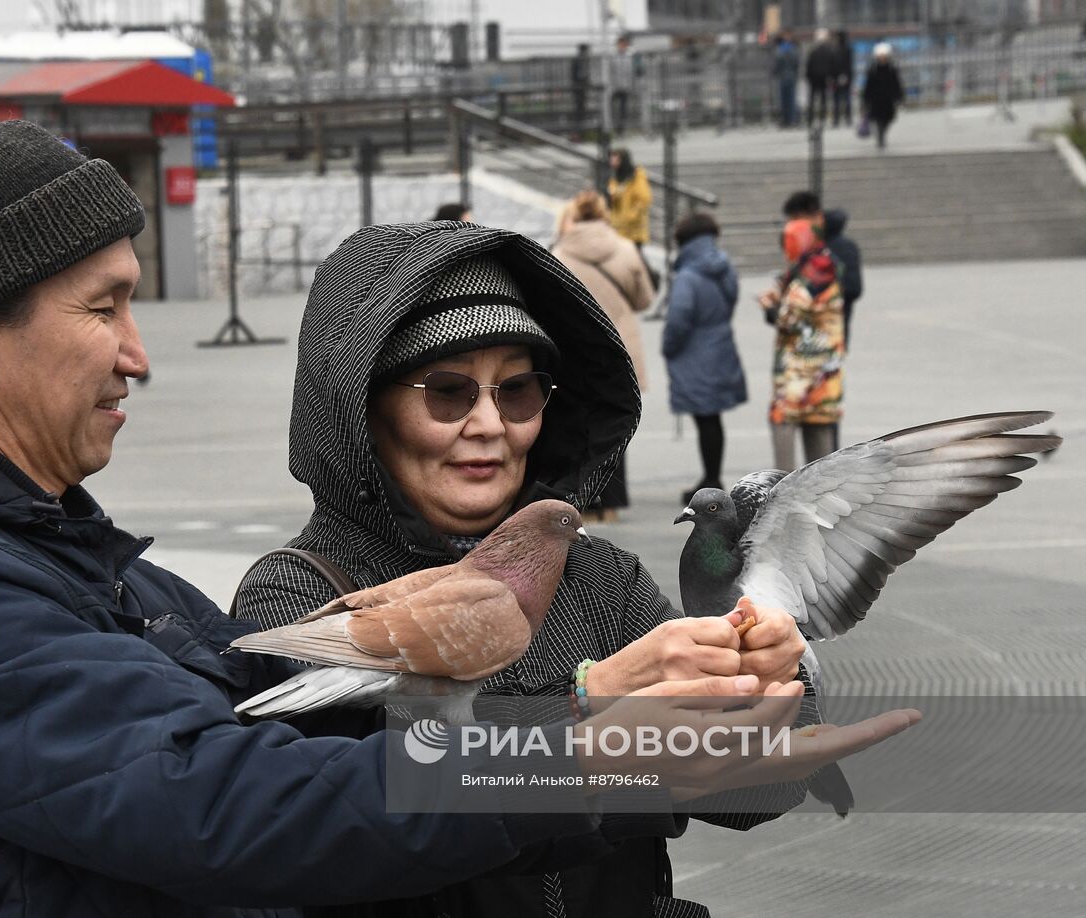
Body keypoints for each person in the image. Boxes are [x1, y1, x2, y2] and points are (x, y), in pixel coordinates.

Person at [0, 121, 901, 917]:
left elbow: (743, 779)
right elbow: (244, 798)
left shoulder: (61, 546)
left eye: (519, 390)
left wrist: (738, 695)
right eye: (104, 305)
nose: (138, 350)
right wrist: (590, 743)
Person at [232, 222, 832, 918]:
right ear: (362, 408)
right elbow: (360, 808)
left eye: (518, 391)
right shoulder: (295, 591)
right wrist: (597, 716)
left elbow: (756, 793)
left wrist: (771, 684)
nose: (490, 424)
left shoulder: (601, 581)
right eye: (449, 391)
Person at [551, 189, 654, 523]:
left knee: (578, 425)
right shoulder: (625, 249)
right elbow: (644, 299)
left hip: (575, 350)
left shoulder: (560, 252)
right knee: (617, 419)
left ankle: (585, 499)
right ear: (604, 215)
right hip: (619, 347)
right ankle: (611, 501)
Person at [661, 213, 746, 504]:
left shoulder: (688, 276)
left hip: (695, 353)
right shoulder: (723, 268)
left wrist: (669, 347)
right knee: (712, 417)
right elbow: (732, 300)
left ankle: (711, 477)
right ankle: (712, 474)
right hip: (721, 346)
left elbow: (678, 319)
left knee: (705, 417)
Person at [759, 205, 846, 471]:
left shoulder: (807, 278)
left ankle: (782, 486)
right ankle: (825, 499)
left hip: (797, 374)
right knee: (820, 442)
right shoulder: (827, 266)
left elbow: (789, 318)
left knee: (782, 424)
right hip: (825, 373)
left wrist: (770, 307)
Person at [822, 208, 863, 351]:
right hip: (839, 317)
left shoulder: (821, 248)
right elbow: (855, 289)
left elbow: (853, 288)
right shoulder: (849, 247)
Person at [861, 43, 905, 149]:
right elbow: (868, 85)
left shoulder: (892, 69)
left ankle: (882, 133)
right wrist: (865, 99)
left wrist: (899, 96)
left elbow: (896, 83)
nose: (882, 58)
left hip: (888, 98)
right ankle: (881, 136)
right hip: (876, 99)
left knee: (889, 118)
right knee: (877, 119)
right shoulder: (873, 70)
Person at [606, 148, 651, 249]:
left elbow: (644, 199)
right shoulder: (614, 179)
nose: (612, 162)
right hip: (618, 230)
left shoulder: (637, 176)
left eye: (616, 159)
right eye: (611, 159)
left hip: (634, 232)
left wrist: (631, 217)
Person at [804, 28, 837, 126]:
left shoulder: (813, 51)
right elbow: (832, 66)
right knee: (823, 99)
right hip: (824, 79)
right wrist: (831, 77)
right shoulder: (829, 51)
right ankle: (822, 118)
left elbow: (809, 66)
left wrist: (809, 77)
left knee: (812, 99)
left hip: (814, 79)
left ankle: (810, 118)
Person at [772, 31, 801, 128]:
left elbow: (777, 64)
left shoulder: (779, 50)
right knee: (792, 99)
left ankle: (785, 120)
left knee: (784, 100)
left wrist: (775, 73)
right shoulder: (794, 49)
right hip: (791, 76)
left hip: (783, 77)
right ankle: (792, 120)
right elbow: (797, 63)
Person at [831, 30, 855, 126]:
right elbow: (849, 65)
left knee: (837, 99)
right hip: (845, 76)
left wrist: (834, 76)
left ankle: (837, 119)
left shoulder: (835, 49)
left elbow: (834, 65)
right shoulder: (848, 49)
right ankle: (847, 118)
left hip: (838, 77)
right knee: (845, 98)